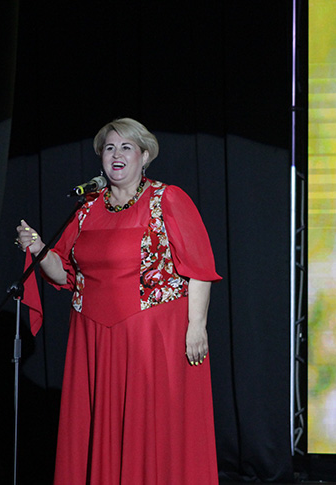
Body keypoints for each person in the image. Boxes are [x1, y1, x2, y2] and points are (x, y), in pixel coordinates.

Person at [15, 118, 221, 484]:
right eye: (109, 148)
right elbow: (62, 274)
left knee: (151, 432)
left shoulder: (167, 199)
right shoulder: (86, 209)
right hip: (95, 340)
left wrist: (197, 326)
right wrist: (37, 247)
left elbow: (200, 267)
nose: (116, 154)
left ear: (144, 156)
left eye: (126, 147)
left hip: (151, 340)